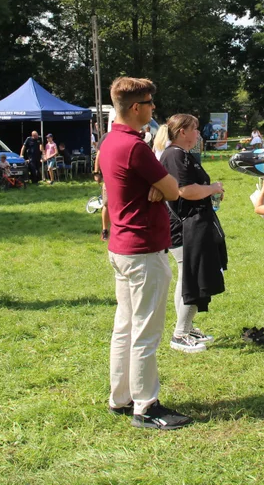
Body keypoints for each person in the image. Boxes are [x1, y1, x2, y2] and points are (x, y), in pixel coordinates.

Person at [99, 76, 189, 430]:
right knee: (146, 331)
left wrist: (158, 187)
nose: (154, 110)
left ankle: (120, 398)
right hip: (144, 250)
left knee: (124, 327)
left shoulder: (110, 142)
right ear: (135, 107)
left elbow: (160, 188)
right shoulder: (136, 148)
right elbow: (173, 189)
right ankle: (146, 405)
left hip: (121, 247)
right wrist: (160, 186)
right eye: (150, 103)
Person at [160, 114, 226, 354]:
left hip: (193, 225)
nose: (198, 133)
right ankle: (180, 334)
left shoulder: (182, 155)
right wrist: (213, 189)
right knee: (193, 279)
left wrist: (209, 192)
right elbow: (185, 190)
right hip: (186, 227)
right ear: (182, 132)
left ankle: (185, 328)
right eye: (194, 129)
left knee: (186, 277)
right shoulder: (174, 155)